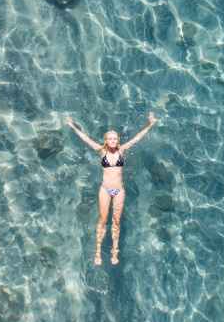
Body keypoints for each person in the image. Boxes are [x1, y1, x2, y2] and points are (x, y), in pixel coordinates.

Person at [66, 113, 158, 266]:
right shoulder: (102, 151)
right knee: (102, 220)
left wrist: (150, 124)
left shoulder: (122, 150)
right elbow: (86, 139)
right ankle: (97, 251)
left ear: (118, 140)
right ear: (106, 141)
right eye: (110, 139)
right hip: (105, 190)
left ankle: (114, 251)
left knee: (116, 221)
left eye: (115, 138)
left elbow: (137, 138)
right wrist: (72, 126)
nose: (113, 141)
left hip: (119, 191)